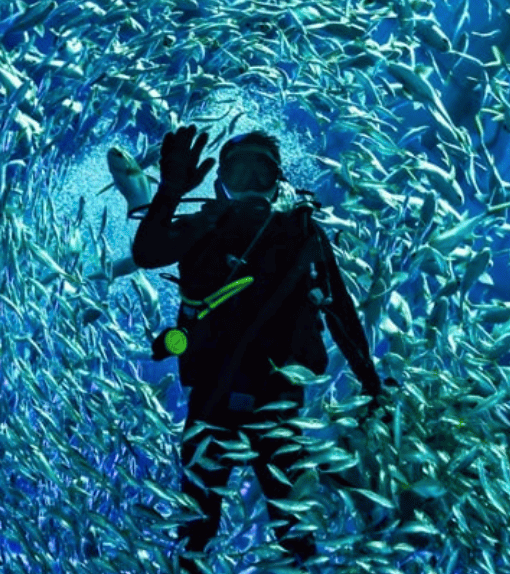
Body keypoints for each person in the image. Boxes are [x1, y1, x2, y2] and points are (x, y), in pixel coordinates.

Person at [131, 125, 386, 573]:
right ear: (221, 182)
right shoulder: (204, 226)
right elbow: (148, 253)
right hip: (214, 398)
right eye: (239, 172)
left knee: (294, 530)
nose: (250, 183)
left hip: (276, 400)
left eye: (260, 172)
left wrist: (371, 383)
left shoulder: (303, 233)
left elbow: (342, 312)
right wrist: (169, 191)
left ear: (278, 179)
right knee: (197, 530)